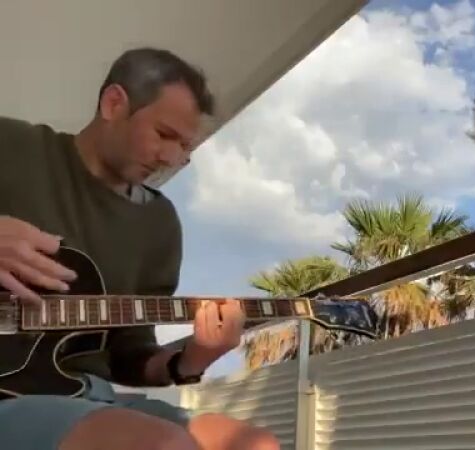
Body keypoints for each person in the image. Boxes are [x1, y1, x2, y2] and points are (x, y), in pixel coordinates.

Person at [0, 48, 280, 450]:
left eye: (185, 148)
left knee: (255, 445)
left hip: (86, 394)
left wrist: (191, 360)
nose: (172, 158)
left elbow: (128, 355)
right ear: (114, 104)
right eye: (164, 135)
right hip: (12, 402)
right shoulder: (13, 147)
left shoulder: (159, 224)